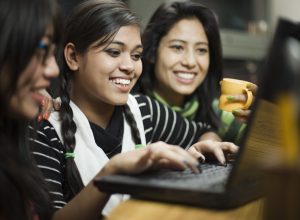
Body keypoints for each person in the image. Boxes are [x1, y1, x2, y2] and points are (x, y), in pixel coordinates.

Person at [30, 0, 238, 217]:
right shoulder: (44, 130)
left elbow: (202, 130)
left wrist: (205, 146)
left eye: (136, 55)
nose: (129, 66)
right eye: (113, 52)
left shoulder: (144, 110)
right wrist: (113, 172)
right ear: (73, 57)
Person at [133, 0, 258, 143]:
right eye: (177, 47)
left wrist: (261, 122)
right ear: (152, 53)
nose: (190, 62)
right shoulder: (131, 108)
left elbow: (267, 150)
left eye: (201, 50)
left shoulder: (217, 113)